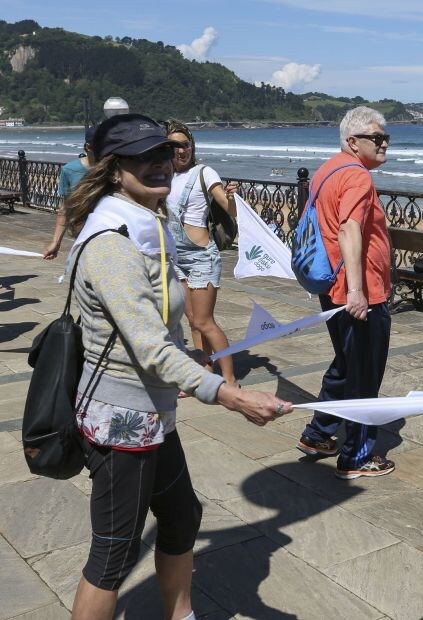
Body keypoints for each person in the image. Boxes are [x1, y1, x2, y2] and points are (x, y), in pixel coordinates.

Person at [64, 113, 291, 620]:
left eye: (164, 154)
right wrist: (230, 394)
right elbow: (150, 348)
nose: (160, 164)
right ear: (113, 168)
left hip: (153, 413)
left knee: (182, 518)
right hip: (122, 418)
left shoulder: (150, 226)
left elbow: (159, 333)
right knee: (113, 552)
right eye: (143, 157)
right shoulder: (113, 244)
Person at [294, 106, 395, 479]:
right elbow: (349, 230)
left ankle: (319, 434)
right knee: (364, 376)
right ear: (353, 142)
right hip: (360, 292)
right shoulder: (357, 178)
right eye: (376, 137)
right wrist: (357, 291)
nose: (384, 143)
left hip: (333, 286)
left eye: (386, 137)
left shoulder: (328, 170)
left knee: (346, 364)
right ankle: (357, 456)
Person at [163, 119, 240, 386]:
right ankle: (204, 373)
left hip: (200, 257)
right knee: (193, 322)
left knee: (206, 322)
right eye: (173, 146)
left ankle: (230, 380)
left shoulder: (205, 172)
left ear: (192, 146)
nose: (180, 151)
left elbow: (227, 206)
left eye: (184, 145)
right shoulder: (165, 176)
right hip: (176, 258)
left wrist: (230, 199)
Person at [43, 125, 95, 259]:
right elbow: (65, 208)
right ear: (88, 147)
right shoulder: (70, 170)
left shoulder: (116, 169)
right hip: (83, 234)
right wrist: (56, 242)